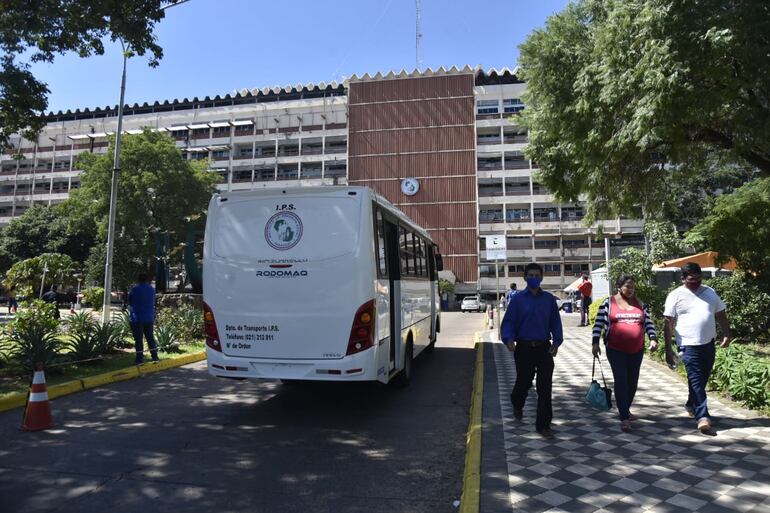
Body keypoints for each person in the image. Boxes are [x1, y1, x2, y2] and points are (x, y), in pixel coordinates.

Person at [664, 263, 730, 433]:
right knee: (695, 378)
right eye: (691, 280)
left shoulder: (709, 292)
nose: (695, 282)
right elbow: (668, 322)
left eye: (698, 279)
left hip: (708, 343)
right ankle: (703, 416)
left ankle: (690, 403)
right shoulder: (675, 295)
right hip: (687, 344)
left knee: (701, 379)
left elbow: (721, 313)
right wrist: (668, 349)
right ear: (683, 279)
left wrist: (726, 334)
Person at [500, 263, 563, 439]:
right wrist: (508, 339)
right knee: (524, 382)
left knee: (545, 387)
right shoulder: (518, 300)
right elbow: (510, 322)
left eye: (537, 275)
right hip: (524, 348)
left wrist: (557, 342)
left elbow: (555, 322)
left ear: (542, 277)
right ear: (525, 278)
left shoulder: (549, 299)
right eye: (531, 275)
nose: (534, 278)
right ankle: (517, 403)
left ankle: (543, 425)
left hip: (543, 348)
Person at [591, 276, 658, 432]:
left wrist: (653, 339)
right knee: (621, 380)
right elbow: (599, 323)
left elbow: (648, 322)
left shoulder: (640, 304)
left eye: (633, 287)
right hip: (615, 349)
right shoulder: (608, 303)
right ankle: (624, 417)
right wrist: (595, 343)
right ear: (619, 287)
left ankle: (625, 408)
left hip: (637, 349)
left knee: (632, 382)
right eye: (628, 286)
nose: (631, 289)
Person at [128, 273, 159, 365]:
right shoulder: (152, 289)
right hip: (149, 317)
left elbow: (129, 301)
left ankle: (140, 359)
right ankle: (155, 357)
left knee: (138, 339)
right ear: (146, 280)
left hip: (137, 317)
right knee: (150, 338)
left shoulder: (134, 289)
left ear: (138, 280)